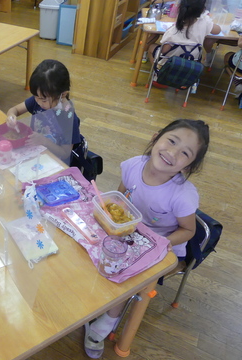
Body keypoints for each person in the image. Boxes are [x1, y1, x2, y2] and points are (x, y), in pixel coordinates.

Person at [84, 119, 210, 359]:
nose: (172, 153)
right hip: (128, 232)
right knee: (92, 250)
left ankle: (101, 329)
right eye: (171, 141)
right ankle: (95, 301)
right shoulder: (133, 166)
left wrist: (160, 243)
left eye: (185, 153)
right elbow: (120, 197)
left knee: (127, 280)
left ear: (190, 164)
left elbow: (188, 231)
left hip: (163, 246)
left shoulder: (182, 194)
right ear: (156, 137)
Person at [5, 59, 84, 164]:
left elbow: (65, 153)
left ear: (63, 94)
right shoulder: (39, 100)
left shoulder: (68, 116)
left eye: (43, 99)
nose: (38, 102)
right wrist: (11, 116)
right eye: (35, 96)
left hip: (55, 163)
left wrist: (44, 141)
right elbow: (14, 110)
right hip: (35, 154)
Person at [148, 0, 221, 72]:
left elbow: (163, 51)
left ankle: (157, 73)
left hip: (170, 63)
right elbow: (218, 30)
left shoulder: (172, 30)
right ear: (202, 10)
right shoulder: (205, 23)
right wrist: (206, 18)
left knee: (151, 47)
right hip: (191, 63)